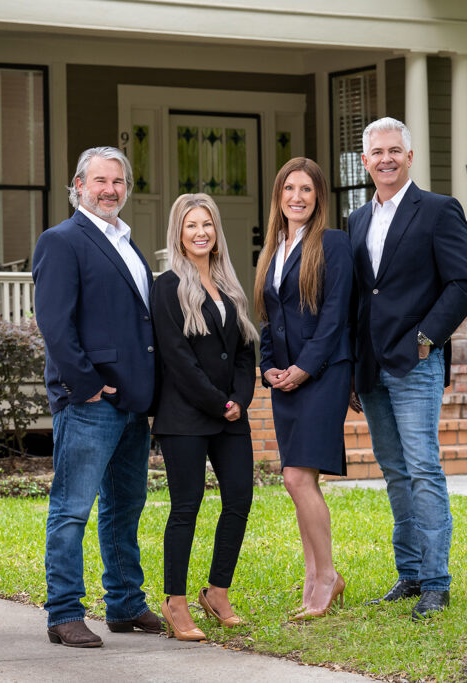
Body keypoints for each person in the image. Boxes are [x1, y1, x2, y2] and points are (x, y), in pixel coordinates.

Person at [348, 117, 467, 620]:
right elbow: (361, 297)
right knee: (394, 471)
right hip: (371, 366)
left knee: (423, 468)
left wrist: (427, 338)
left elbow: (464, 282)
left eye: (394, 151)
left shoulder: (439, 210)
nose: (385, 159)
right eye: (376, 152)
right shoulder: (357, 221)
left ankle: (436, 581)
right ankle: (409, 574)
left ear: (409, 155)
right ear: (365, 161)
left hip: (416, 362)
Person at [32, 146, 162, 647]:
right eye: (100, 181)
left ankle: (125, 604)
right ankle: (63, 613)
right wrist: (86, 386)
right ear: (79, 185)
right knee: (72, 510)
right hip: (90, 402)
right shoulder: (62, 240)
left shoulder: (128, 243)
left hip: (133, 402)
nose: (110, 189)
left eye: (118, 181)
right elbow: (55, 325)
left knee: (124, 508)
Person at [150, 194, 259, 641]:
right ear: (179, 231)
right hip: (185, 418)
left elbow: (242, 350)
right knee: (186, 508)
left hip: (231, 416)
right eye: (192, 225)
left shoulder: (228, 284)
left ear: (216, 233)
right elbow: (177, 358)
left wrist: (240, 399)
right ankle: (175, 600)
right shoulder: (166, 286)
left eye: (208, 225)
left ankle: (217, 591)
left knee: (239, 501)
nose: (201, 232)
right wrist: (218, 402)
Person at [254, 157, 353, 621]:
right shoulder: (274, 248)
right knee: (300, 482)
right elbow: (269, 317)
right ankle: (316, 576)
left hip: (323, 373)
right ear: (279, 196)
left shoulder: (332, 244)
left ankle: (327, 575)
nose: (297, 197)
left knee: (296, 477)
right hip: (286, 378)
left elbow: (335, 316)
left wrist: (304, 368)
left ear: (319, 199)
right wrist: (269, 366)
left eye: (306, 190)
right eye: (289, 189)